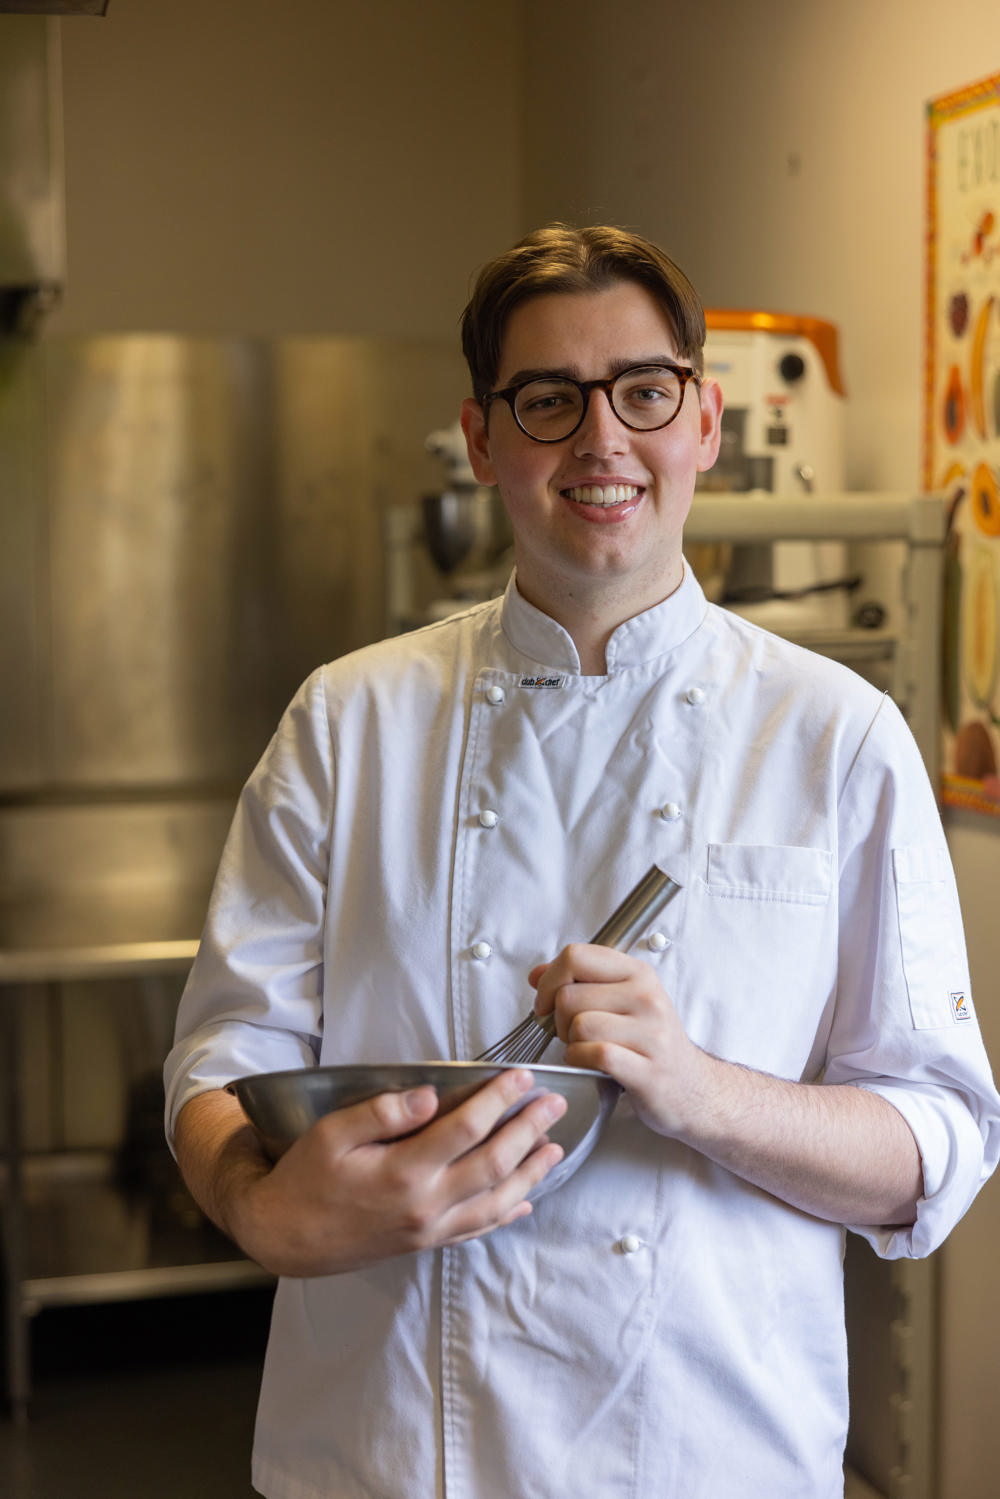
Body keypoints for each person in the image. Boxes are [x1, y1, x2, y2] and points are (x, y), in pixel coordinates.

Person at [164, 224, 1000, 1499]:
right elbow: (223, 1060)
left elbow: (936, 1136)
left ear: (704, 421)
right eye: (548, 400)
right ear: (485, 438)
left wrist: (698, 1085)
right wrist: (254, 1203)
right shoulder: (348, 721)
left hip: (712, 1456)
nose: (601, 441)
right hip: (389, 1454)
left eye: (644, 392)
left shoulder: (836, 737)